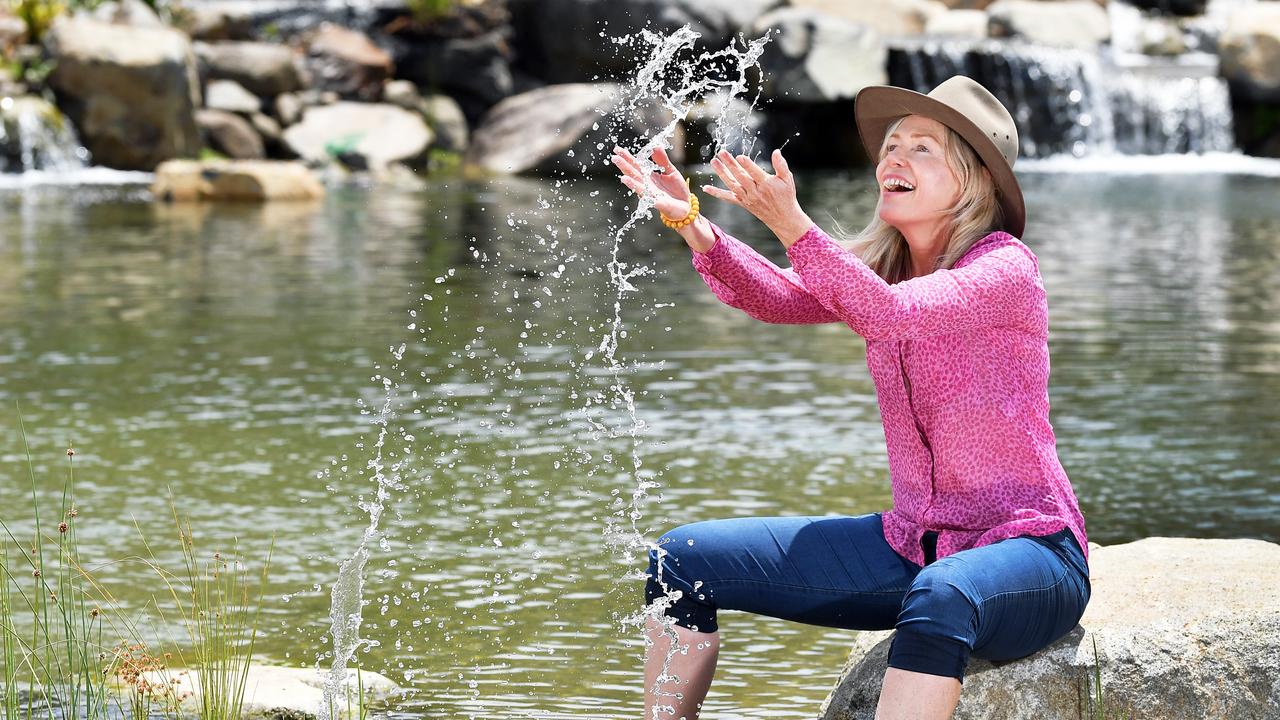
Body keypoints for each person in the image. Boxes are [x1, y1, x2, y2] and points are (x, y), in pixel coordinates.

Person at [609, 75, 1091, 720]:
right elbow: (777, 297)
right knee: (681, 561)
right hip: (912, 545)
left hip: (1032, 551)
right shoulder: (888, 271)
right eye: (892, 145)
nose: (894, 158)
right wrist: (692, 221)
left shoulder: (1003, 269)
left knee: (943, 595)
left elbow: (887, 315)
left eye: (922, 147)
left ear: (974, 179)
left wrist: (793, 223)